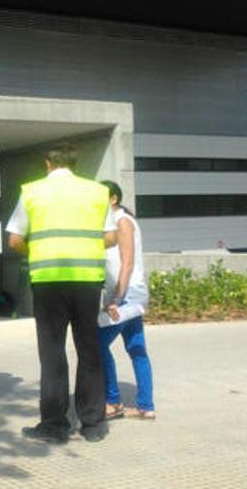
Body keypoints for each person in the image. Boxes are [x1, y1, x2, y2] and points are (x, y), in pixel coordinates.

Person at [7, 143, 117, 443]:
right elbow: (111, 236)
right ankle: (93, 424)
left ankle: (55, 425)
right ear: (74, 164)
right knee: (89, 350)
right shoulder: (96, 192)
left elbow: (15, 240)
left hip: (48, 282)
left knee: (52, 354)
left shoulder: (31, 191)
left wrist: (38, 250)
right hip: (86, 281)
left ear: (47, 165)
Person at [98, 180, 155, 421]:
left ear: (113, 199)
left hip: (127, 294)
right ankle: (145, 406)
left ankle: (113, 401)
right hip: (132, 293)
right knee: (136, 348)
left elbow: (127, 262)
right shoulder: (116, 221)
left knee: (98, 344)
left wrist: (116, 298)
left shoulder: (122, 221)